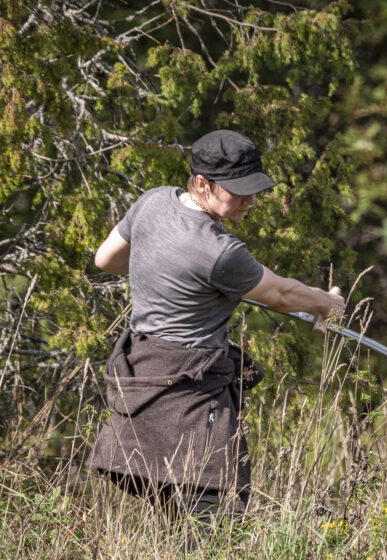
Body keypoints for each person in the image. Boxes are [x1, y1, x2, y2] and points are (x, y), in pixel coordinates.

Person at [89, 130, 344, 531]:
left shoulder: (152, 201)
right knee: (218, 516)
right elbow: (279, 294)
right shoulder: (220, 251)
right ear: (203, 184)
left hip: (138, 379)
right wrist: (328, 303)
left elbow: (106, 259)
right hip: (187, 392)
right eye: (239, 191)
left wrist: (165, 272)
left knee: (184, 517)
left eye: (254, 189)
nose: (250, 201)